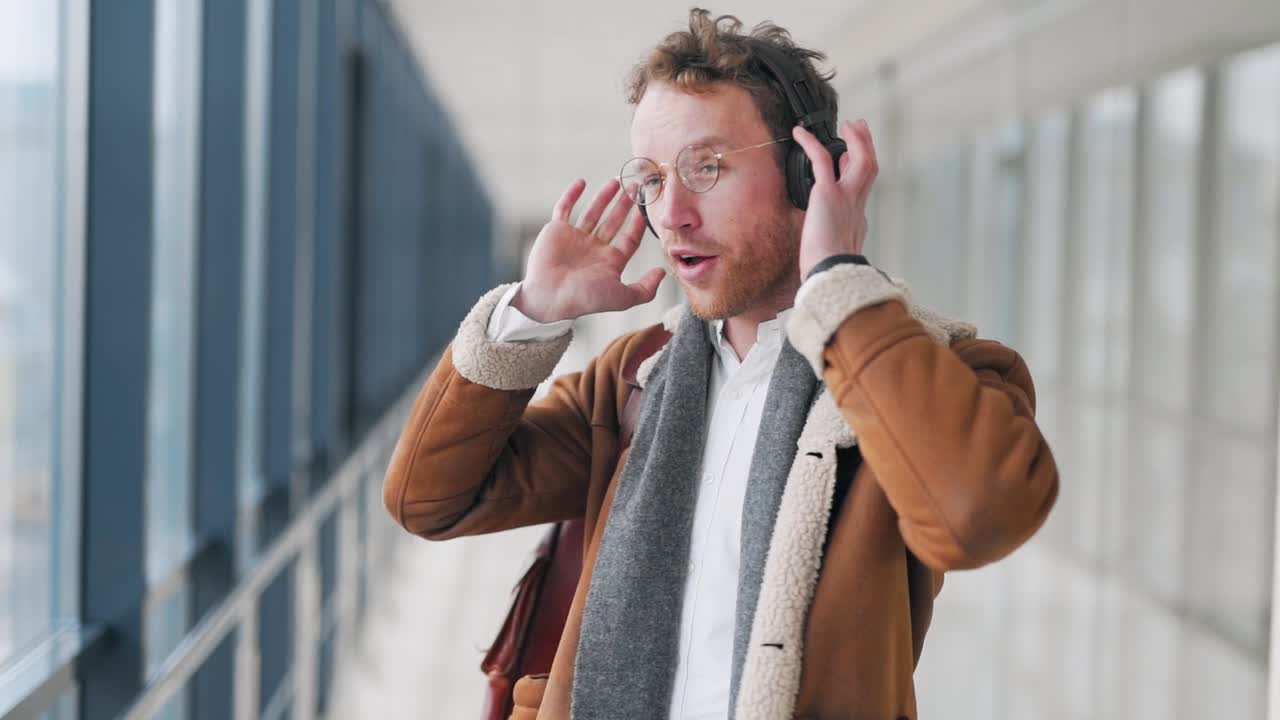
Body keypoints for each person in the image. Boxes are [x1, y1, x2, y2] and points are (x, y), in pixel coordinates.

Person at [383, 8, 1058, 719]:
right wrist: (534, 311)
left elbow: (976, 518)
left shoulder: (938, 372)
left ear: (808, 174)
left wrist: (838, 283)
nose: (670, 213)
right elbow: (429, 498)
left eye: (705, 168)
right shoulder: (634, 377)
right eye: (650, 178)